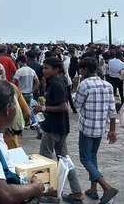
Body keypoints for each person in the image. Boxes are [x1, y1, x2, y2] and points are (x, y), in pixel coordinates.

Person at [31, 57, 85, 203]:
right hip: (60, 127)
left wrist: (42, 108)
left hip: (54, 128)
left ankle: (51, 193)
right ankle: (77, 191)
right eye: (43, 68)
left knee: (46, 160)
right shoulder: (58, 82)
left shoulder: (56, 84)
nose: (44, 71)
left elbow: (63, 107)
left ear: (56, 69)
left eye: (47, 68)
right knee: (65, 159)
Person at [71, 58, 119, 203]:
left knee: (85, 158)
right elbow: (112, 109)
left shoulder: (84, 85)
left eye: (81, 69)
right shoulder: (107, 85)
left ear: (85, 70)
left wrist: (74, 89)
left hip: (86, 127)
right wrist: (112, 129)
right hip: (100, 127)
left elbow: (76, 104)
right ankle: (93, 189)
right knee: (92, 157)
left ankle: (106, 187)